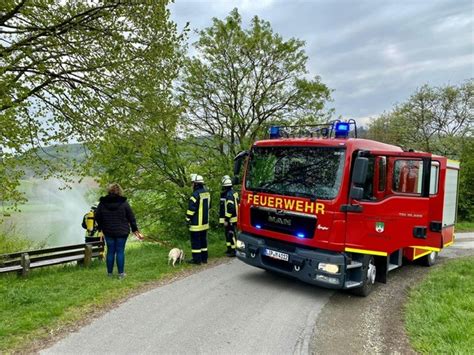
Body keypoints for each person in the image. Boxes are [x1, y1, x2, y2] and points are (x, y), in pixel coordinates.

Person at [95, 183, 143, 278]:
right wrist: (135, 229)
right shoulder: (124, 203)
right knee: (120, 251)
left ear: (109, 191)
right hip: (122, 231)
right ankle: (121, 274)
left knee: (110, 251)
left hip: (108, 231)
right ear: (119, 191)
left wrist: (100, 228)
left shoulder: (102, 203)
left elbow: (97, 216)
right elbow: (131, 217)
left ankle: (109, 274)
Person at [185, 174, 210, 265]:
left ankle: (197, 260)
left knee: (196, 242)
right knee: (203, 241)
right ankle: (204, 258)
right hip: (205, 223)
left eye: (192, 183)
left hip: (196, 224)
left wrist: (187, 219)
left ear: (196, 184)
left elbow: (191, 209)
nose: (192, 185)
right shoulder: (206, 193)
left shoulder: (195, 194)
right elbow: (209, 206)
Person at [219, 175, 239, 257]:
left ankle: (234, 251)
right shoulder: (234, 193)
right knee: (228, 233)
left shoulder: (229, 195)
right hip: (235, 217)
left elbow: (230, 208)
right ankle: (229, 248)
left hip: (231, 219)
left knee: (230, 234)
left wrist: (226, 219)